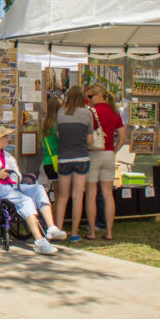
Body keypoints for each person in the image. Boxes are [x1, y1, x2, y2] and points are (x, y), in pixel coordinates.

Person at [0, 126, 66, 255]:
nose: (8, 139)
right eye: (5, 137)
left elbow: (17, 174)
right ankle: (39, 241)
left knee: (38, 188)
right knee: (25, 200)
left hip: (13, 186)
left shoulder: (8, 156)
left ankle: (51, 227)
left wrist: (14, 176)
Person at [84, 83, 126, 241]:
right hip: (109, 154)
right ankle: (109, 231)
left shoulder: (91, 113)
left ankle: (92, 231)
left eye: (90, 96)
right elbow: (122, 138)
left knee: (91, 194)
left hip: (93, 154)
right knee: (108, 194)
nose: (88, 100)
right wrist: (113, 150)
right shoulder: (115, 112)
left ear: (99, 96)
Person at [52, 85, 94, 242]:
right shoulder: (87, 114)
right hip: (81, 157)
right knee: (78, 196)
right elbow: (90, 139)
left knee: (62, 196)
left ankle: (59, 228)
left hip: (64, 157)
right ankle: (75, 232)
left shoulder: (61, 112)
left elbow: (58, 134)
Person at [40, 96, 62, 180]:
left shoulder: (45, 124)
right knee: (63, 191)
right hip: (57, 160)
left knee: (57, 191)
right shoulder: (58, 123)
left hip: (47, 161)